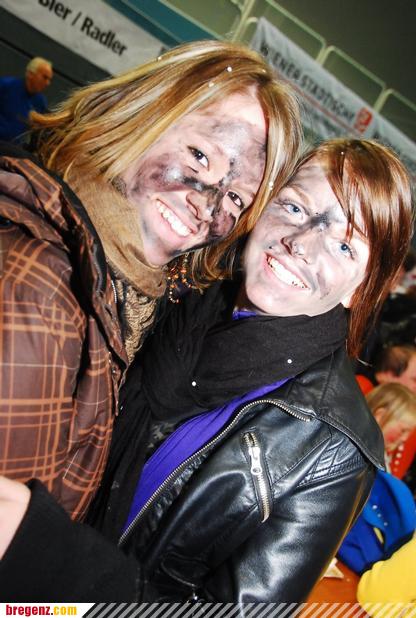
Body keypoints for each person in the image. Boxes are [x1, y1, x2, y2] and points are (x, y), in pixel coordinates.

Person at [0, 138, 413, 603]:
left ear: (360, 290)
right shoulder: (168, 298)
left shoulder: (333, 448)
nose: (300, 243)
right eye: (295, 208)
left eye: (342, 245)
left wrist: (51, 556)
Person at [0, 40, 301, 520]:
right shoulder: (42, 286)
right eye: (200, 156)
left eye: (236, 200)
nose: (207, 205)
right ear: (141, 116)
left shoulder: (129, 297)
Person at [366, 383, 416, 478]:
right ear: (379, 416)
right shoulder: (360, 454)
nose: (405, 439)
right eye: (403, 430)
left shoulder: (384, 456)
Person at [0, 57, 53, 143]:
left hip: (12, 147)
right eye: (45, 77)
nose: (48, 83)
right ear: (30, 74)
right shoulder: (6, 85)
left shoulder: (40, 102)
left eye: (49, 79)